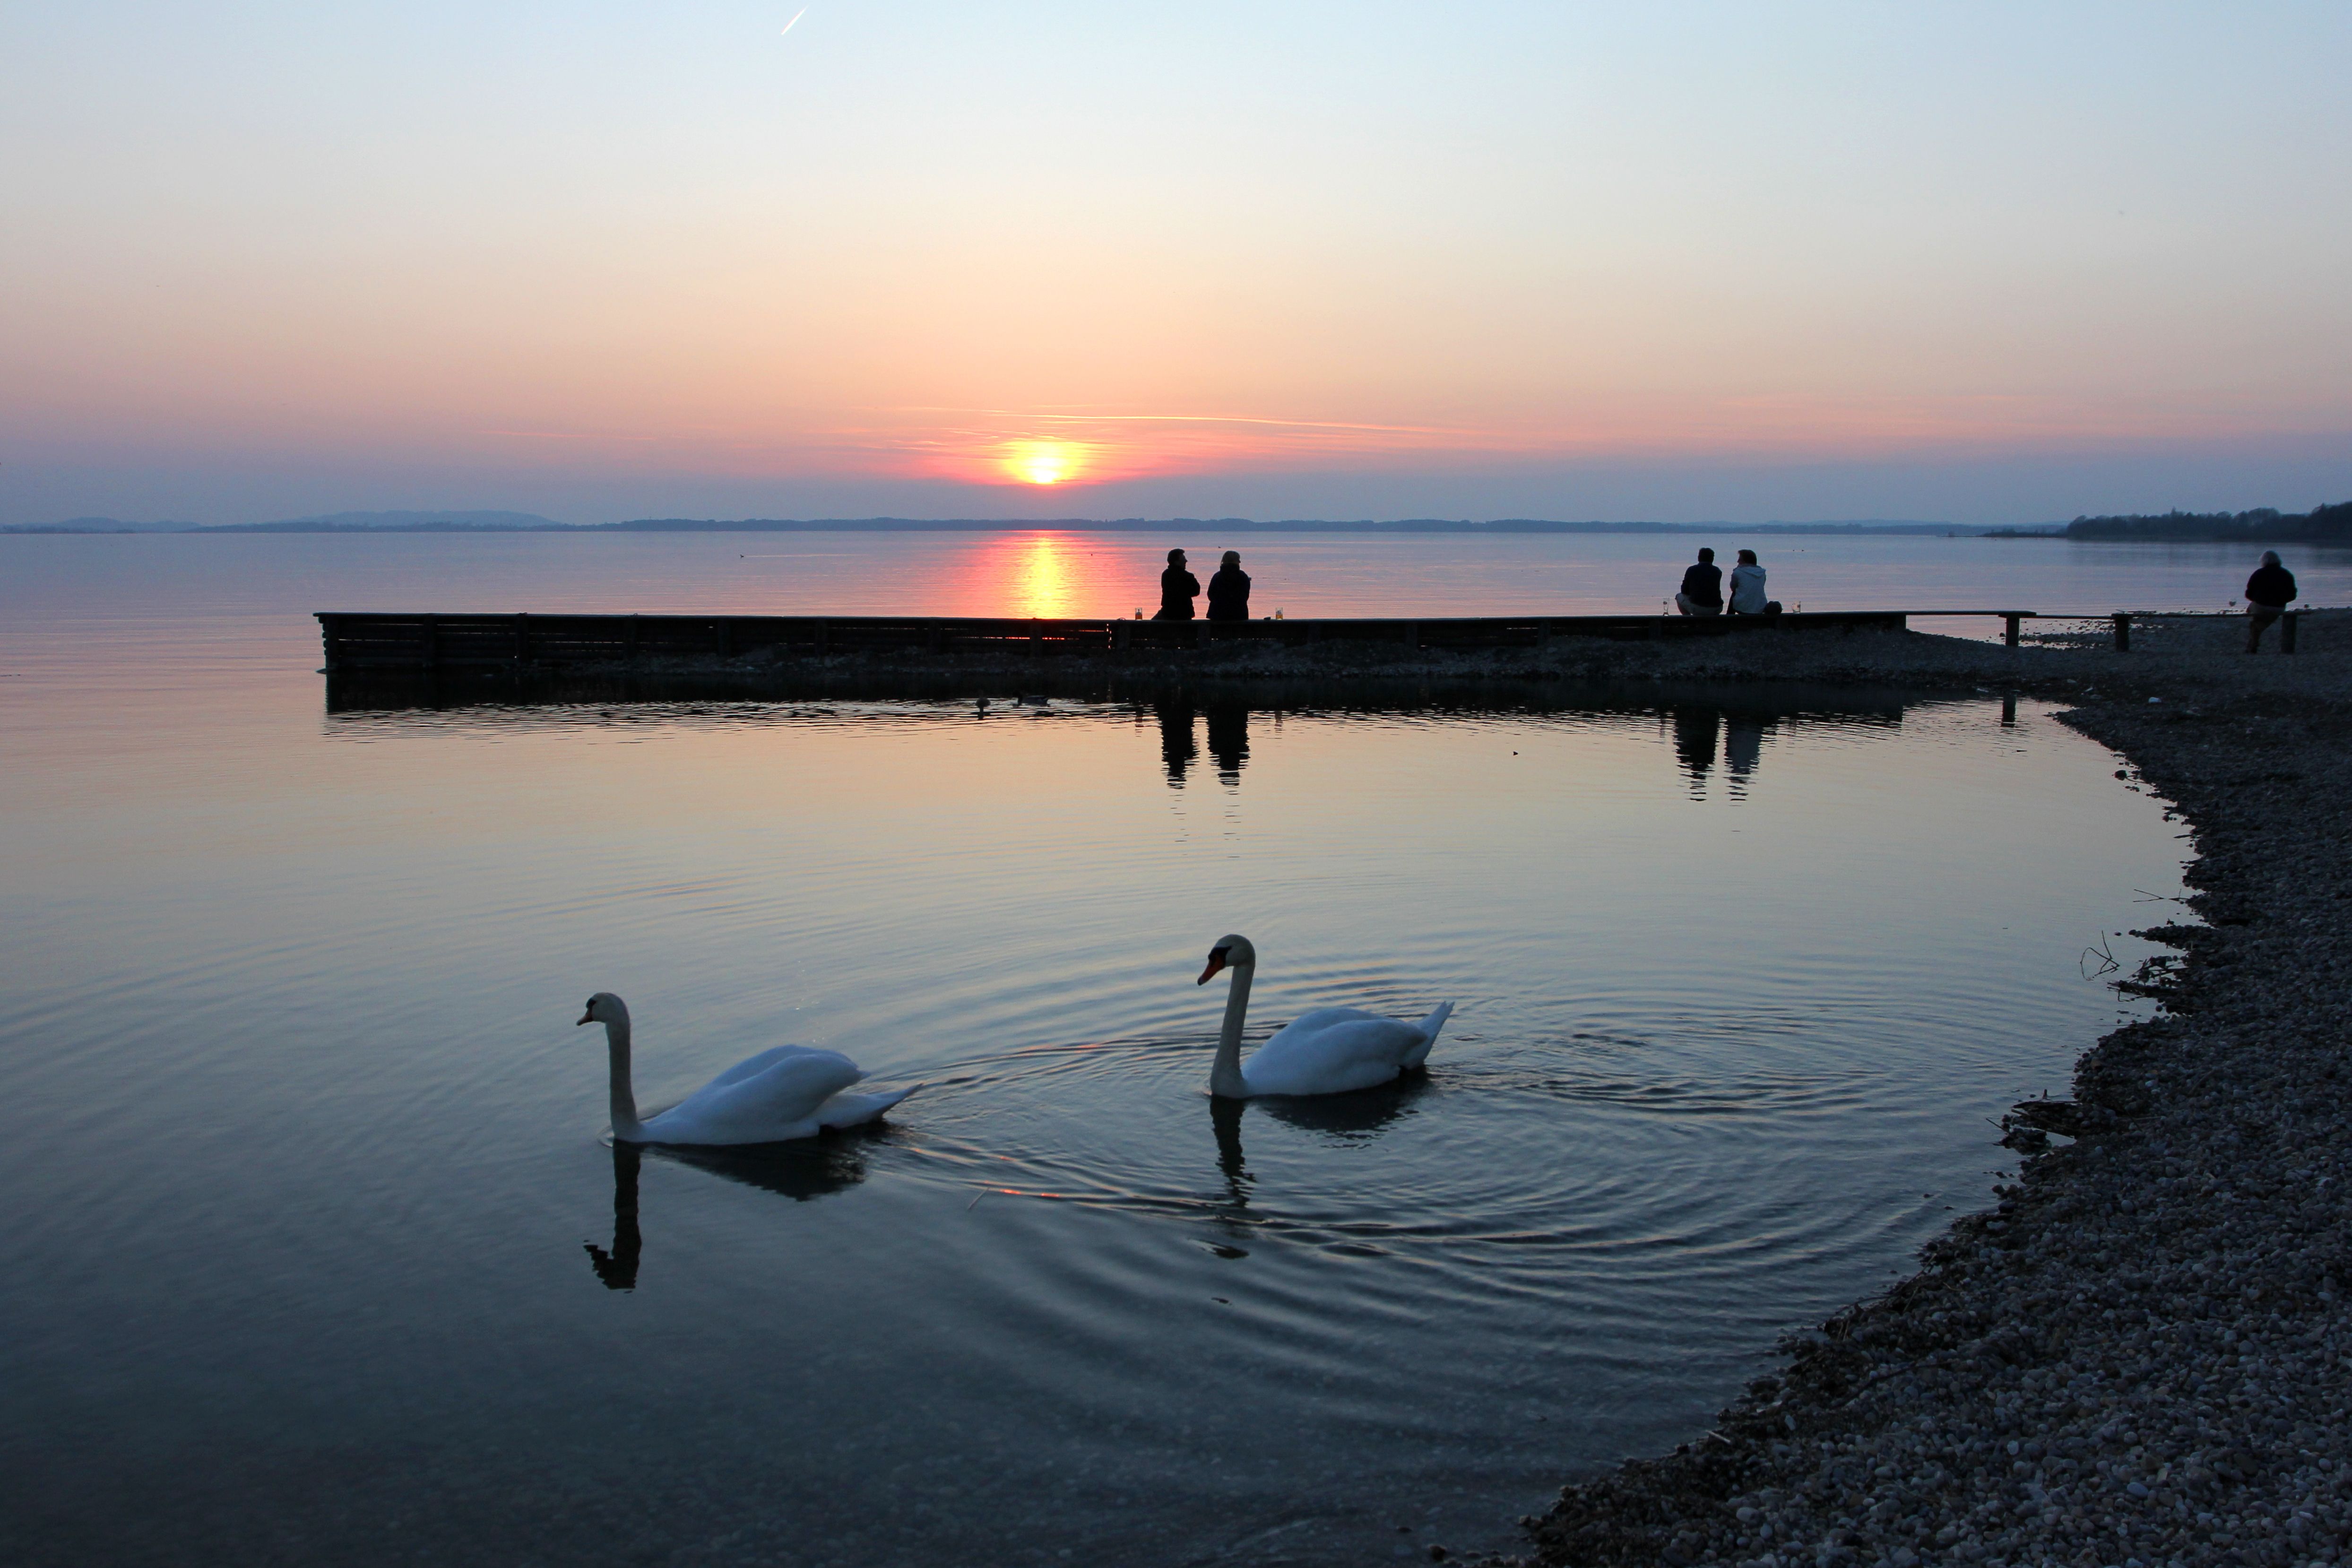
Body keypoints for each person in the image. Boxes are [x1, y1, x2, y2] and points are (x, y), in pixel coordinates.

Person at [2244, 550, 2297, 653]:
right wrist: (2281, 600)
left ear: (2264, 561)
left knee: (2253, 615)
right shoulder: (2287, 574)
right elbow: (2292, 596)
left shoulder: (2259, 574)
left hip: (2261, 606)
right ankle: (2253, 642)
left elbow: (2249, 594)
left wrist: (2259, 599)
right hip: (2279, 608)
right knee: (2261, 622)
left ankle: (2253, 642)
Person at [1154, 548, 1200, 621]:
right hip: (1184, 614)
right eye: (1183, 558)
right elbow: (1197, 591)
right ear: (1177, 561)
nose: (1186, 561)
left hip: (1168, 613)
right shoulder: (1188, 576)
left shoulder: (1166, 575)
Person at [1675, 549, 1722, 616]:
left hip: (1698, 608)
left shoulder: (1692, 570)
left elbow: (1684, 591)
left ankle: (1688, 621)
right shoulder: (1717, 571)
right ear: (1712, 559)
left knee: (1679, 596)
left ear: (1699, 558)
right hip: (1717, 608)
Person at [1205, 551, 1251, 621]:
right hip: (1239, 614)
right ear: (1236, 561)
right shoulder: (1243, 576)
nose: (1240, 562)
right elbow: (1245, 596)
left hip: (1217, 614)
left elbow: (1211, 595)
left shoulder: (1217, 576)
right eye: (1238, 559)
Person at [1726, 549, 1768, 615]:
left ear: (1746, 561)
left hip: (1742, 608)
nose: (1738, 561)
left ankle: (1729, 616)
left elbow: (1733, 588)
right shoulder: (1762, 573)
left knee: (1735, 593)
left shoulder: (1738, 572)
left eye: (1740, 560)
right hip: (1760, 607)